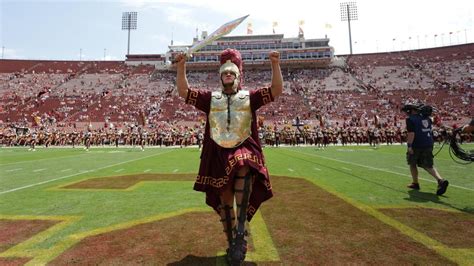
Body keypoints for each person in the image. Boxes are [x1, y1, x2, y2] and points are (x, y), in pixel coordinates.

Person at [175, 48, 283, 265]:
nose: (228, 76)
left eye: (232, 73)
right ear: (220, 76)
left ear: (238, 76)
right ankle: (233, 241)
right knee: (225, 201)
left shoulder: (249, 97)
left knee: (244, 163)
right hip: (218, 152)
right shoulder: (210, 98)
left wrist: (274, 63)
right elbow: (184, 91)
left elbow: (275, 90)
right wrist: (181, 66)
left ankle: (241, 232)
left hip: (243, 147)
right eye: (225, 73)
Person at [402, 103, 449, 195]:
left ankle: (415, 183)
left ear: (412, 110)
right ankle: (440, 180)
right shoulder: (427, 118)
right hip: (428, 143)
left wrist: (409, 146)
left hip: (417, 144)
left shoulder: (410, 119)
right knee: (428, 165)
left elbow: (411, 134)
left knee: (412, 163)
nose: (407, 112)